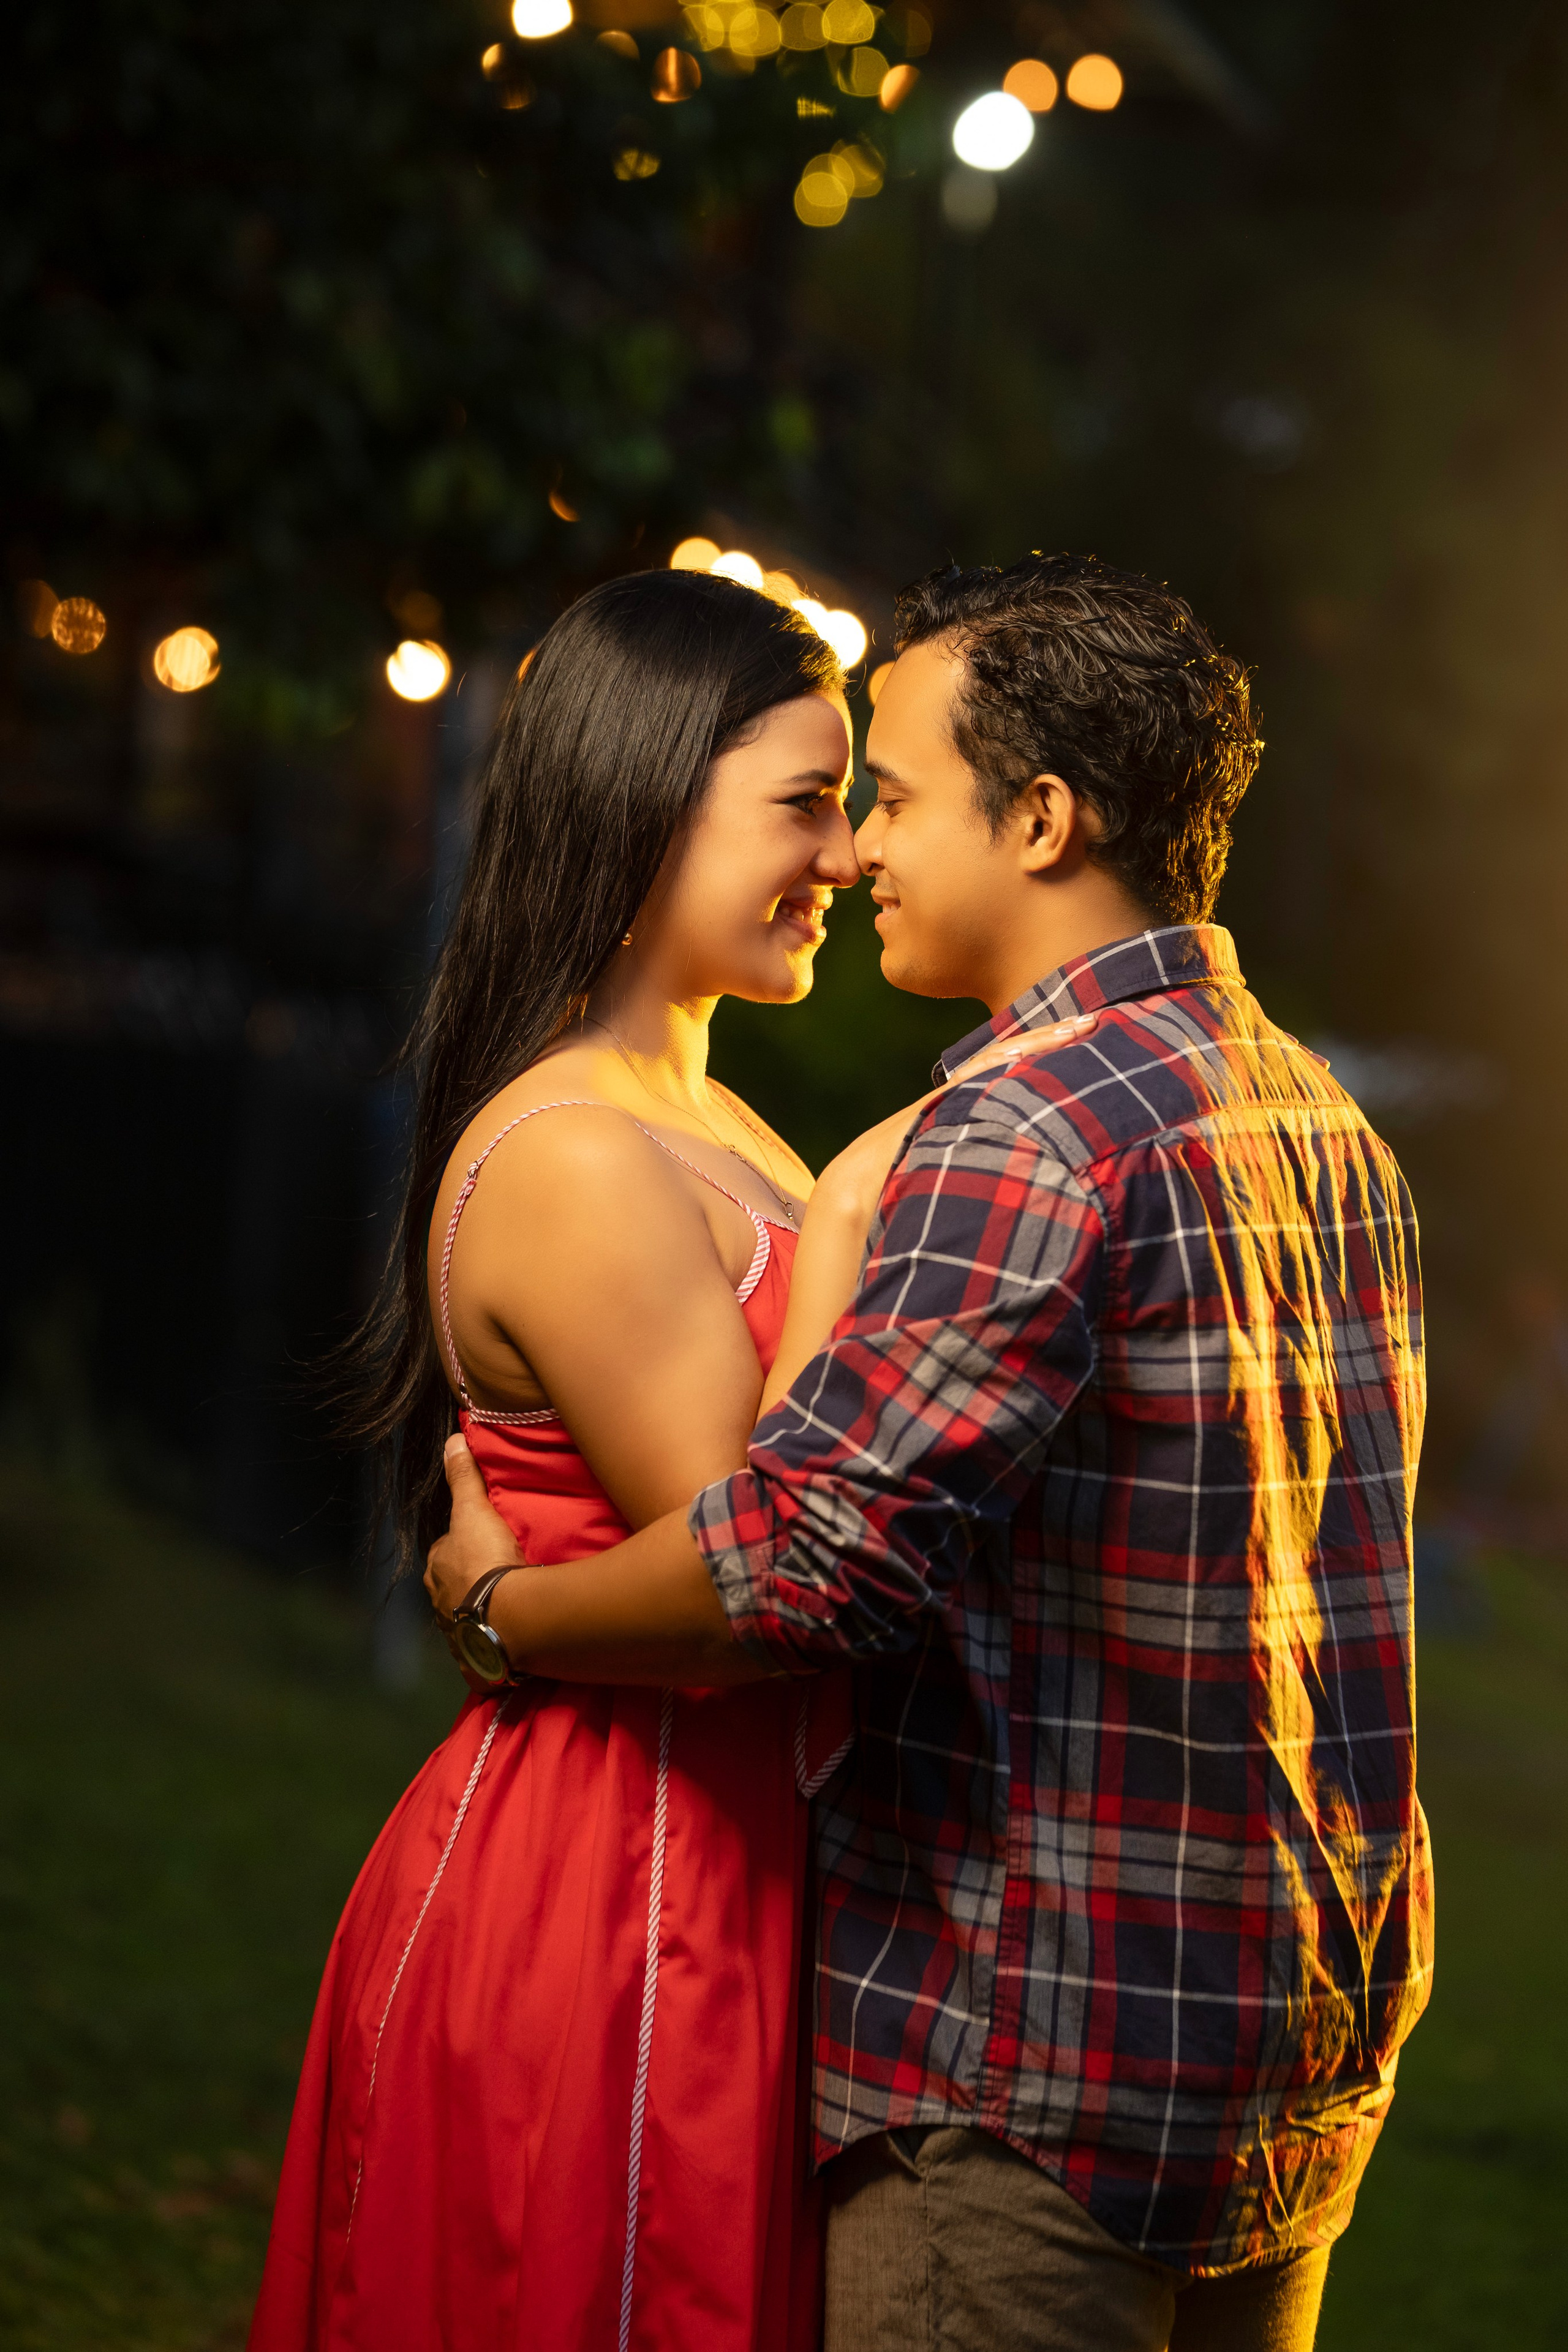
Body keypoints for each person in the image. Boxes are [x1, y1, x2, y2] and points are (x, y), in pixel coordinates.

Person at [428, 553, 1434, 2352]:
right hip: (1288, 2035)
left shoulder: (1029, 1134)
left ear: (1038, 820)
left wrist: (498, 1608)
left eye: (886, 797)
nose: (859, 849)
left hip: (1040, 2053)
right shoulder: (1317, 1117)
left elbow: (794, 1571)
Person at [247, 567, 865, 2352]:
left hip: (720, 1870)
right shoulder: (579, 1154)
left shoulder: (712, 1119)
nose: (841, 857)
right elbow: (760, 1572)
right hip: (622, 1889)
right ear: (647, 798)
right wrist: (856, 1211)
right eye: (805, 805)